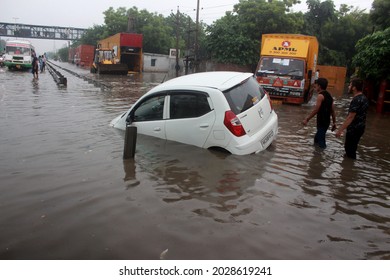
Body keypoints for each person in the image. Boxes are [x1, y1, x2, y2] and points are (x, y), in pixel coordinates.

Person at [335, 78, 369, 159]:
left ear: (354, 87)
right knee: (352, 149)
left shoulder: (356, 99)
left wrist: (340, 130)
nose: (349, 87)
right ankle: (349, 167)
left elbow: (350, 117)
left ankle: (348, 167)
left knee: (349, 150)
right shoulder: (364, 98)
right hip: (361, 127)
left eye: (350, 85)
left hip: (354, 128)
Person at [302, 77, 336, 149]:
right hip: (327, 122)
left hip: (322, 122)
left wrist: (307, 119)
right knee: (316, 140)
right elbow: (332, 110)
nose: (315, 88)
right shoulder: (329, 96)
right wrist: (334, 122)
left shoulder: (320, 96)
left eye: (316, 86)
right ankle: (316, 156)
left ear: (319, 86)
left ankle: (321, 158)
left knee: (321, 143)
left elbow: (316, 110)